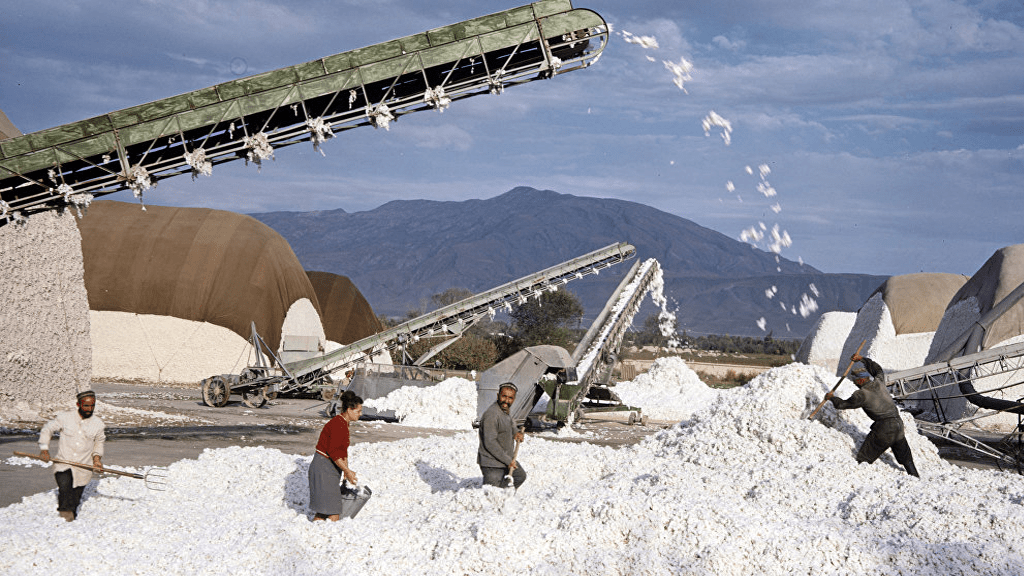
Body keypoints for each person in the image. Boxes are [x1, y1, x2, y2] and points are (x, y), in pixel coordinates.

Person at [826, 353, 920, 477]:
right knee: (905, 456)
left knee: (864, 457)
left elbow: (842, 405)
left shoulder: (861, 394)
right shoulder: (879, 382)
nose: (854, 383)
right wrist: (863, 359)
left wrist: (832, 398)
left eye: (855, 381)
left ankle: (861, 479)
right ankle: (914, 476)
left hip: (884, 428)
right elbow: (878, 370)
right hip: (898, 424)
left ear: (860, 380)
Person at [38, 390, 106, 521]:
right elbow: (47, 429)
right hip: (63, 463)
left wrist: (96, 460)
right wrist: (44, 449)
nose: (89, 409)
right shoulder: (65, 418)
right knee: (65, 488)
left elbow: (99, 443)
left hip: (83, 466)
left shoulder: (98, 424)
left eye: (92, 405)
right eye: (86, 405)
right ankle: (65, 516)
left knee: (75, 496)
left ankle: (72, 520)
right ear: (78, 404)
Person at [308, 390, 363, 521]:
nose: (360, 414)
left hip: (329, 468)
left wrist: (345, 468)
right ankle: (324, 535)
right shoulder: (338, 425)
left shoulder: (343, 423)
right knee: (332, 511)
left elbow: (342, 450)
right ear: (349, 410)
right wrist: (347, 470)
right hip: (323, 468)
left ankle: (316, 534)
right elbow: (334, 452)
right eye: (358, 411)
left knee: (325, 510)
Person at [477, 382, 526, 489]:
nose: (506, 401)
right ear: (498, 395)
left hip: (504, 460)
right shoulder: (492, 414)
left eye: (510, 398)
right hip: (492, 463)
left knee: (520, 476)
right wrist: (508, 461)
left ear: (514, 399)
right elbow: (490, 442)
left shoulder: (504, 411)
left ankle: (504, 498)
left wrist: (516, 432)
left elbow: (510, 424)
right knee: (492, 494)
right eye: (504, 396)